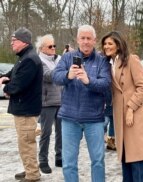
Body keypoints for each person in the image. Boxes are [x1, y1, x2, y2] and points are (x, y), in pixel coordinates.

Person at [52, 25, 111, 182]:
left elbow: (105, 84)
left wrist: (88, 80)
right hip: (70, 118)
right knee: (69, 163)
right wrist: (68, 75)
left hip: (94, 119)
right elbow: (55, 77)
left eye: (88, 38)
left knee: (98, 161)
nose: (85, 42)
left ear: (94, 40)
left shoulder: (102, 61)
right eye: (82, 38)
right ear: (77, 40)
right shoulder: (67, 57)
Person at [101, 31, 143, 182]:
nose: (106, 46)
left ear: (118, 45)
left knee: (138, 158)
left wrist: (131, 108)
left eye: (110, 43)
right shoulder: (108, 63)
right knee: (126, 157)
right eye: (105, 44)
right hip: (120, 116)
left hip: (135, 115)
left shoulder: (131, 60)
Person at [0, 27, 42, 182]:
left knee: (26, 143)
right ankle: (29, 169)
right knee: (24, 142)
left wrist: (6, 88)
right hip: (23, 108)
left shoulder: (29, 59)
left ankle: (32, 175)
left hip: (26, 110)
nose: (11, 43)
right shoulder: (24, 57)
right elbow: (12, 74)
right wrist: (4, 77)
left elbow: (18, 85)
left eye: (14, 41)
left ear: (23, 42)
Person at [35, 34, 62, 173]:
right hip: (46, 102)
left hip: (60, 101)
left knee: (60, 131)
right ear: (42, 48)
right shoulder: (39, 61)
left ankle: (59, 156)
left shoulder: (57, 59)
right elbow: (48, 76)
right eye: (50, 46)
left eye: (54, 45)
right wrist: (62, 67)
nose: (53, 48)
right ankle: (43, 160)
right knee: (46, 132)